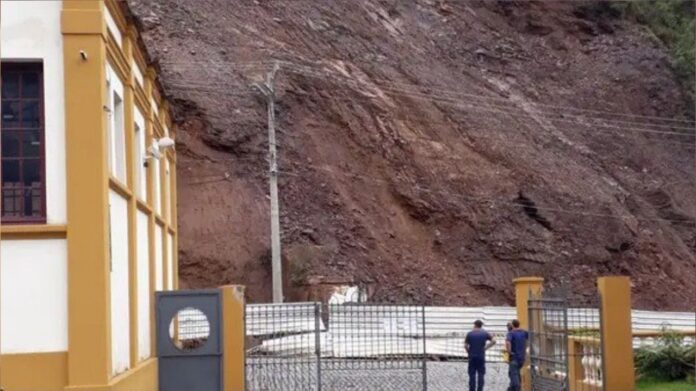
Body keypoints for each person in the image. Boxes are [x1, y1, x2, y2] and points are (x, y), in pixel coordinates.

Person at [465, 320, 496, 391]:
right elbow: (494, 341)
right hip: (481, 355)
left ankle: (472, 389)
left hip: (472, 356)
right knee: (481, 374)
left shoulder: (470, 334)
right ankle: (480, 389)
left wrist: (469, 352)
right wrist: (486, 347)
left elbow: (465, 345)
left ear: (475, 325)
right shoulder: (485, 333)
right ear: (481, 325)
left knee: (472, 374)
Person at [506, 319, 529, 391]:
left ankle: (517, 388)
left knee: (514, 375)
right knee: (515, 372)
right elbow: (528, 339)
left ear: (512, 325)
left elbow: (508, 343)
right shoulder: (524, 332)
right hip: (522, 357)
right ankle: (511, 388)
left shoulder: (511, 333)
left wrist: (509, 352)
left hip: (514, 357)